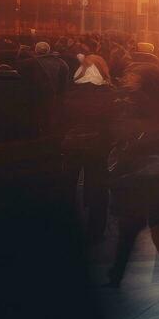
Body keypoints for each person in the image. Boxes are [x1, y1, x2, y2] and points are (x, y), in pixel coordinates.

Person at [105, 63, 159, 291]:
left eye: (133, 76)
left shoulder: (136, 102)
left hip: (138, 174)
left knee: (128, 229)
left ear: (142, 80)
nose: (128, 78)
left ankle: (116, 276)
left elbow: (125, 134)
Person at [63, 54, 118, 243]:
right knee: (98, 187)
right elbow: (114, 123)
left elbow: (61, 119)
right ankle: (96, 230)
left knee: (67, 186)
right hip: (99, 146)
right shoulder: (109, 93)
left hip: (73, 144)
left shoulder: (72, 90)